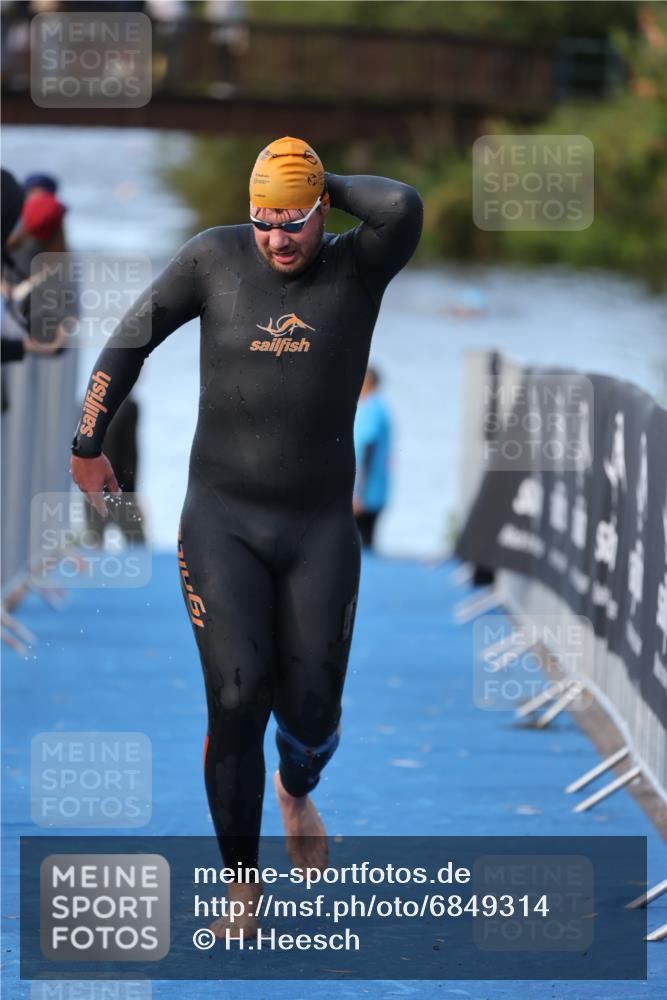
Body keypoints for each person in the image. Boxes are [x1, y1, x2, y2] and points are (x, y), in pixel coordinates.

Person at [69, 136, 422, 938]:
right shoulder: (212, 260)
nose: (275, 240)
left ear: (321, 208)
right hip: (221, 521)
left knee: (311, 709)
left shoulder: (357, 265)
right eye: (262, 221)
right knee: (235, 697)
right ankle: (241, 888)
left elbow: (404, 204)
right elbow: (129, 338)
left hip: (319, 530)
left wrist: (314, 173)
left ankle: (295, 789)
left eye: (291, 221)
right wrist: (86, 444)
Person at [353, 366, 391, 550]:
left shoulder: (371, 409)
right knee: (366, 542)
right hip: (376, 490)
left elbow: (368, 448)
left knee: (360, 543)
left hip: (366, 493)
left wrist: (359, 492)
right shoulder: (380, 407)